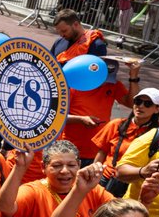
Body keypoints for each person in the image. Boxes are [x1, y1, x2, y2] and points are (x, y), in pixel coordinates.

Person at [51, 9, 139, 162]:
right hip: (67, 149)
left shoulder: (109, 81)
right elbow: (56, 115)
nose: (62, 35)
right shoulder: (72, 83)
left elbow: (132, 103)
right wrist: (80, 119)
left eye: (64, 31)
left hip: (95, 152)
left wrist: (134, 77)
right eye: (60, 32)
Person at [91, 86, 159, 197]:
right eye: (138, 101)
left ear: (157, 109)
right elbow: (101, 153)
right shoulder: (116, 124)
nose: (140, 106)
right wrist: (93, 176)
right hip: (106, 179)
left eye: (147, 104)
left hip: (133, 184)